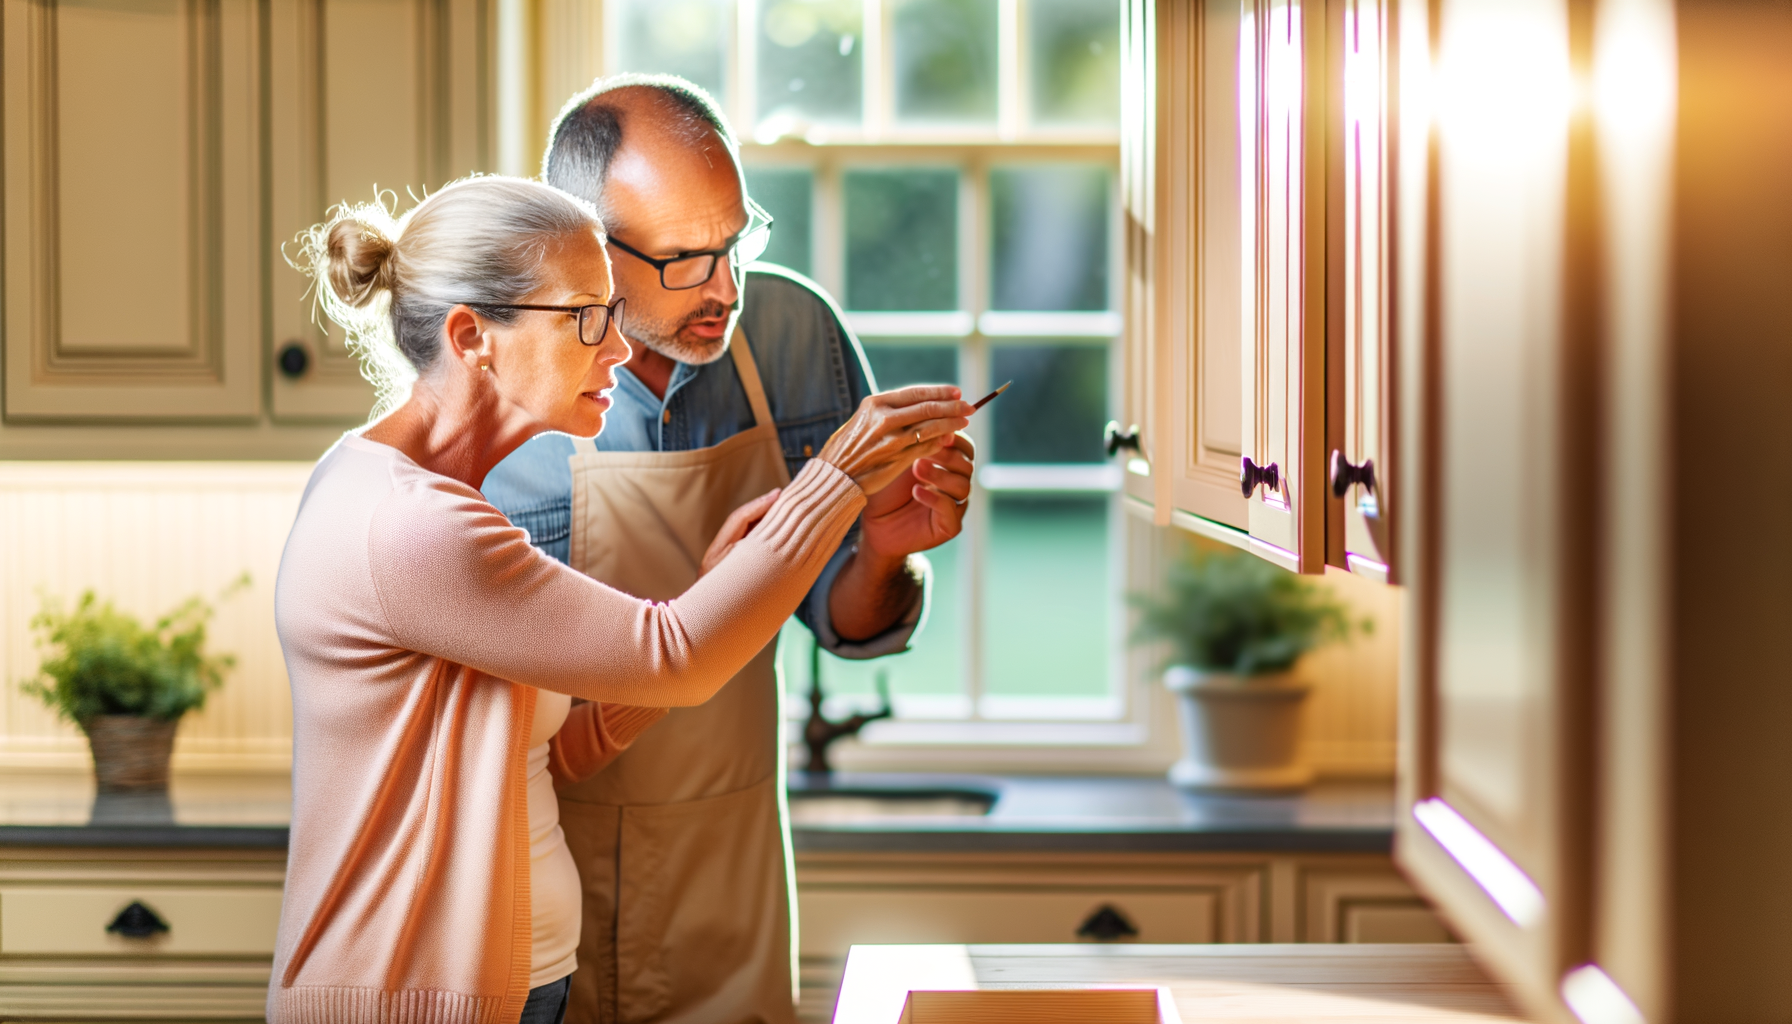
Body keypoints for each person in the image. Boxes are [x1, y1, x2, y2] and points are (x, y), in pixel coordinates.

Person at [268, 175, 972, 1023]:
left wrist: (717, 584)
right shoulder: (410, 526)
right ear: (472, 337)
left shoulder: (436, 501)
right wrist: (836, 481)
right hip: (413, 1000)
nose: (617, 351)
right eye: (588, 318)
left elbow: (568, 749)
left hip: (510, 988)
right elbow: (670, 655)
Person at [479, 76, 977, 1024]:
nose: (725, 291)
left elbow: (843, 619)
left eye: (737, 242)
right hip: (544, 890)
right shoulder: (498, 396)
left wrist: (880, 552)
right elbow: (487, 734)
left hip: (733, 864)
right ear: (586, 246)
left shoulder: (794, 337)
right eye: (683, 260)